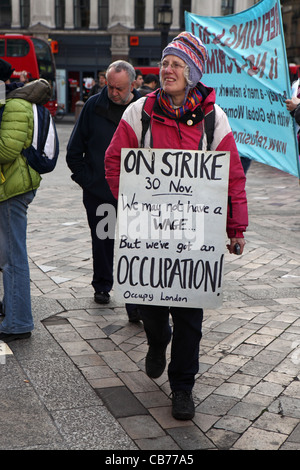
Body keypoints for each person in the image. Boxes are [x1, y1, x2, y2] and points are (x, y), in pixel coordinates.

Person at [105, 32, 248, 420]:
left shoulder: (215, 119)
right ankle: (156, 340)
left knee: (190, 315)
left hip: (196, 233)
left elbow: (233, 175)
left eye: (177, 64)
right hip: (150, 228)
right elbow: (114, 160)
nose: (168, 70)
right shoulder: (139, 112)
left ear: (194, 73)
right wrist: (132, 202)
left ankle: (183, 386)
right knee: (150, 304)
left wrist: (236, 226)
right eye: (166, 63)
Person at [66, 60, 141, 321]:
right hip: (101, 193)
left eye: (119, 88)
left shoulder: (144, 108)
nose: (113, 92)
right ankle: (102, 286)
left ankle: (136, 301)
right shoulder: (93, 106)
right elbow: (74, 152)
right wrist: (90, 181)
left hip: (137, 195)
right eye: (109, 86)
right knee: (103, 241)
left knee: (137, 246)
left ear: (133, 84)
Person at [0, 58, 52, 343]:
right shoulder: (12, 103)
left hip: (13, 189)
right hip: (11, 186)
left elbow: (6, 150)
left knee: (13, 257)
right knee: (7, 255)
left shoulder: (16, 106)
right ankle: (11, 310)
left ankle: (19, 321)